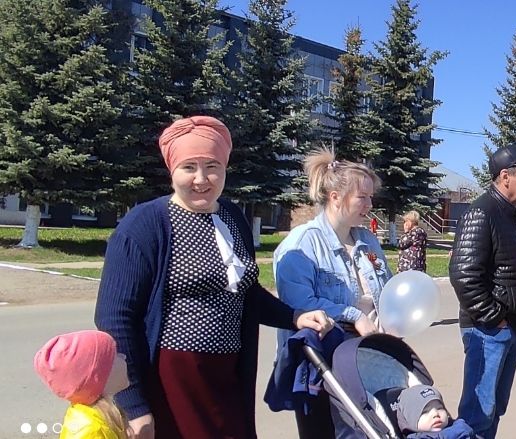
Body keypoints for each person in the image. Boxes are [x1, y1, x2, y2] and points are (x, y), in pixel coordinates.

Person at [94, 116, 332, 439]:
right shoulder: (144, 226)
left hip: (228, 375)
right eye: (189, 167)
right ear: (172, 171)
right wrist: (134, 405)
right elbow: (115, 319)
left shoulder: (233, 218)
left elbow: (245, 293)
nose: (202, 178)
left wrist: (294, 316)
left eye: (212, 166)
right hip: (174, 378)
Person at [274, 149, 393, 437]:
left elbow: (386, 289)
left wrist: (390, 319)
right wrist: (354, 316)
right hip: (320, 367)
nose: (370, 204)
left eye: (370, 197)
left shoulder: (367, 241)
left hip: (367, 360)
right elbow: (300, 305)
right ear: (335, 197)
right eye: (362, 197)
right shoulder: (302, 244)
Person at [449, 144, 516, 438]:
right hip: (487, 332)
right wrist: (494, 319)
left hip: (508, 329)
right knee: (478, 415)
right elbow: (463, 274)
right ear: (505, 176)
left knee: (493, 412)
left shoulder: (509, 215)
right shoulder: (482, 212)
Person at [34, 330, 129, 439]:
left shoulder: (98, 417)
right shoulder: (91, 431)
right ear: (97, 377)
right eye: (114, 354)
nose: (123, 357)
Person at [376, 385, 475, 438]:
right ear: (410, 422)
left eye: (440, 408)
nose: (435, 414)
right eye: (425, 412)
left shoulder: (459, 426)